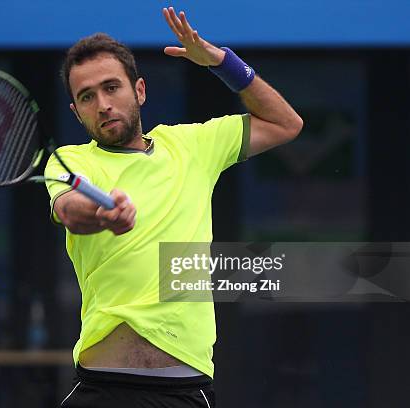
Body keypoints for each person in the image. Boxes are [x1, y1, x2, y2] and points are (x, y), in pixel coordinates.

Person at [45, 7, 303, 408]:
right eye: (87, 97)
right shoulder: (71, 161)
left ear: (140, 90)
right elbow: (68, 209)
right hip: (102, 389)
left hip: (184, 392)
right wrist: (100, 214)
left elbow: (286, 124)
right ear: (77, 112)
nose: (103, 104)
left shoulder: (193, 146)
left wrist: (221, 62)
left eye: (112, 87)